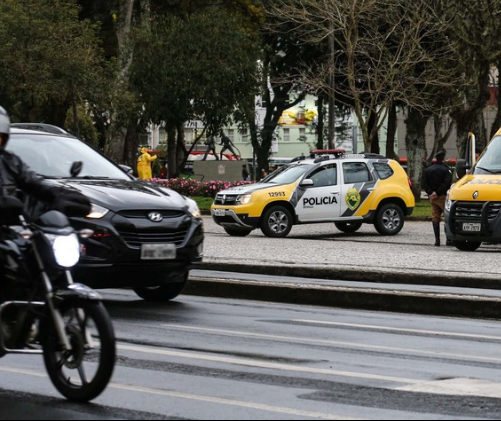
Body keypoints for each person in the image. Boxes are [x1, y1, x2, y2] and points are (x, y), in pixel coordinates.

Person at [0, 106, 91, 277]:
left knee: (29, 258)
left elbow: (34, 183)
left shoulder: (9, 161)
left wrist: (58, 195)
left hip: (10, 231)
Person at [422, 149, 453, 247]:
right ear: (443, 159)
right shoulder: (446, 169)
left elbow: (424, 183)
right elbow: (447, 183)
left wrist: (431, 193)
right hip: (443, 196)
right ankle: (449, 239)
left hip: (433, 198)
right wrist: (438, 192)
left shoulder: (428, 169)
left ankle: (437, 240)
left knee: (435, 218)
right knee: (447, 217)